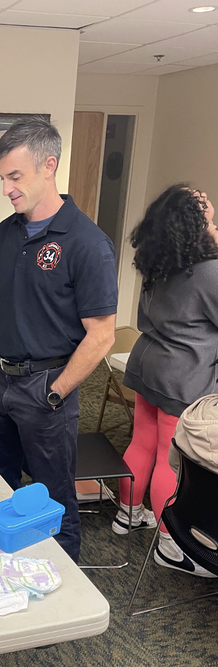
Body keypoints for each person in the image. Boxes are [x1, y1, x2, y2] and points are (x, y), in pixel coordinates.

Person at [0, 116, 118, 563]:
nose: (6, 189)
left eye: (14, 177)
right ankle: (1, 568)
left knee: (52, 496)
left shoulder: (87, 243)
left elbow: (102, 335)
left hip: (47, 388)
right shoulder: (1, 235)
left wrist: (55, 394)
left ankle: (61, 593)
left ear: (49, 166)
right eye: (2, 178)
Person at [114, 184, 218, 576]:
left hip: (147, 365)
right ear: (195, 225)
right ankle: (171, 544)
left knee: (141, 443)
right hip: (182, 376)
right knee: (172, 461)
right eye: (209, 216)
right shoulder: (208, 270)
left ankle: (127, 514)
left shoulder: (158, 260)